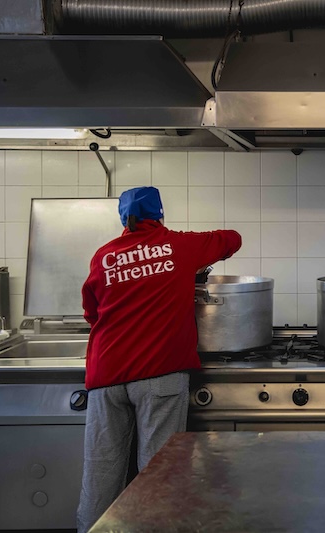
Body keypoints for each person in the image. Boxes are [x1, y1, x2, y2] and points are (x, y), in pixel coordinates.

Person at [76, 186, 242, 532]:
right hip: (159, 374)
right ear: (160, 215)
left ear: (123, 219)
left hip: (106, 375)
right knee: (158, 471)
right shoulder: (179, 246)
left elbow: (92, 314)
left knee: (102, 469)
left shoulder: (103, 256)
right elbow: (233, 238)